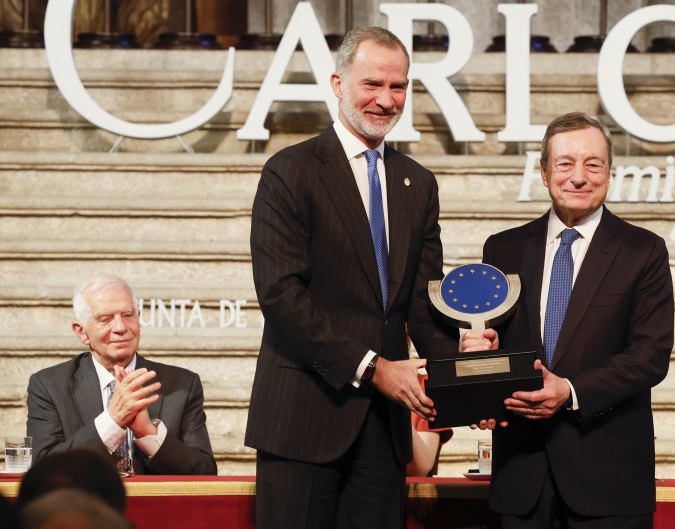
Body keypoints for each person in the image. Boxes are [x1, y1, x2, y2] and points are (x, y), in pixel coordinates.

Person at [245, 26, 456, 529]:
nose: (386, 100)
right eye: (372, 84)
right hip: (304, 418)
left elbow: (425, 304)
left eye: (399, 86)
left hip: (383, 434)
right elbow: (281, 296)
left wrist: (465, 365)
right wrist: (373, 367)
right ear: (337, 83)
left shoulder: (418, 184)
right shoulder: (290, 171)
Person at [461, 112, 675, 528]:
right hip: (521, 476)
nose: (579, 176)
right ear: (543, 172)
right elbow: (495, 347)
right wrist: (477, 370)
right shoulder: (502, 249)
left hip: (609, 481)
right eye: (565, 164)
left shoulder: (643, 251)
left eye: (593, 164)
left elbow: (651, 355)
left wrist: (571, 390)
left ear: (609, 174)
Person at [26, 275, 217, 476]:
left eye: (128, 315)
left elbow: (204, 473)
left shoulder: (182, 384)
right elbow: (42, 470)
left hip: (157, 506)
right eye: (104, 319)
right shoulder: (48, 385)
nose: (120, 328)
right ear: (81, 332)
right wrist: (113, 421)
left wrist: (149, 434)